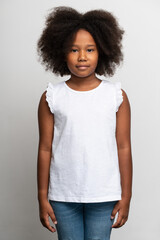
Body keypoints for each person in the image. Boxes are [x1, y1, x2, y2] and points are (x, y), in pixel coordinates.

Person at [37, 6, 132, 240]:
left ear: (103, 51)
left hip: (104, 194)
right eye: (74, 50)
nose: (82, 56)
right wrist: (42, 196)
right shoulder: (52, 97)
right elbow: (45, 148)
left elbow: (123, 146)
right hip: (62, 195)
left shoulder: (115, 95)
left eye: (90, 49)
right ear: (60, 52)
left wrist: (126, 195)